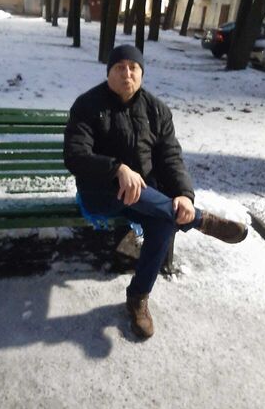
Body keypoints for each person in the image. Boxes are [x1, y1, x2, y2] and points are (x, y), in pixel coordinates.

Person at [63, 44, 247, 339]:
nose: (127, 73)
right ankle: (200, 220)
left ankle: (138, 298)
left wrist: (184, 195)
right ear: (109, 72)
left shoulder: (156, 110)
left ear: (142, 73)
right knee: (152, 201)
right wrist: (117, 169)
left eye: (133, 68)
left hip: (146, 199)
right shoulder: (87, 105)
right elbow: (75, 155)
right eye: (119, 67)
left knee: (164, 221)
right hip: (100, 193)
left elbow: (170, 157)